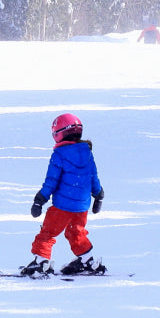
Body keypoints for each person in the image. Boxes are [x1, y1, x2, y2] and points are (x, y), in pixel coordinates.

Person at [20, 113, 106, 277]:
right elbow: (93, 176)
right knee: (76, 232)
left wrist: (40, 200)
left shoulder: (59, 155)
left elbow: (51, 181)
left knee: (47, 233)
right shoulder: (87, 153)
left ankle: (41, 261)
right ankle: (88, 260)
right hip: (81, 206)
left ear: (59, 134)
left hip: (62, 207)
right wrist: (98, 195)